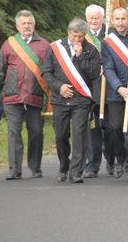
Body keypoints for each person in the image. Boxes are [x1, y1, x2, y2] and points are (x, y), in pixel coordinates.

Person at [0, 10, 51, 180]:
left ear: (34, 24)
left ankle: (35, 167)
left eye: (29, 23)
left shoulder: (45, 45)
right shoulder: (9, 44)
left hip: (36, 96)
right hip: (12, 96)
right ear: (17, 26)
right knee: (14, 133)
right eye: (23, 23)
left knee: (36, 132)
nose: (26, 26)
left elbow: (51, 72)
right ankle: (14, 170)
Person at [42, 18, 101, 183]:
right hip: (60, 99)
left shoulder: (91, 51)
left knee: (79, 135)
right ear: (69, 33)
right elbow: (46, 73)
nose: (77, 40)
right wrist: (59, 87)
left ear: (85, 35)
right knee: (61, 135)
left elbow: (94, 74)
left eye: (81, 36)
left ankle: (76, 172)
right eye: (74, 36)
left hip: (81, 101)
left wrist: (81, 56)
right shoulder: (55, 48)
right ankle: (64, 166)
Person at [101, 7, 128, 181]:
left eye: (123, 18)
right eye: (117, 19)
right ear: (112, 21)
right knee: (114, 128)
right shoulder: (107, 42)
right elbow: (108, 68)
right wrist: (119, 87)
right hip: (117, 93)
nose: (120, 22)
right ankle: (121, 158)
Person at [83, 4, 106, 178]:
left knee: (113, 129)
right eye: (90, 18)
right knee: (93, 130)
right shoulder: (81, 37)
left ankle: (113, 160)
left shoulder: (111, 35)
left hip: (111, 89)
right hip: (90, 91)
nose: (93, 21)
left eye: (96, 18)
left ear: (102, 19)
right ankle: (93, 164)